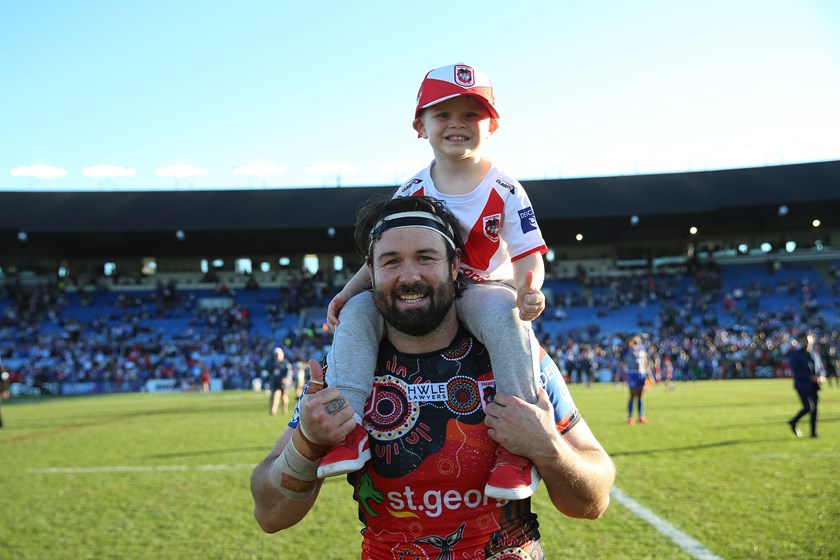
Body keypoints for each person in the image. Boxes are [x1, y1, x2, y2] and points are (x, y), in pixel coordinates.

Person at [250, 195, 615, 558]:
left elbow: (593, 502)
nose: (409, 276)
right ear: (371, 273)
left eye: (426, 258)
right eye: (391, 261)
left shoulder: (517, 359)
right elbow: (270, 515)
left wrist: (547, 447)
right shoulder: (345, 372)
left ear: (455, 265)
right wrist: (308, 443)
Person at [323, 62, 549, 501]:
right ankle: (347, 428)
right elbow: (384, 256)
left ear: (492, 125)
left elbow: (527, 252)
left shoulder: (506, 188)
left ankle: (517, 447)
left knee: (506, 317)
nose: (457, 124)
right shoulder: (411, 191)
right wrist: (348, 293)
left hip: (482, 290)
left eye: (471, 114)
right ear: (420, 126)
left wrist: (529, 289)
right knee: (359, 310)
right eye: (443, 114)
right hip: (422, 291)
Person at [788, 332, 824, 438]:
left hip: (814, 385)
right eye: (805, 340)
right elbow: (796, 371)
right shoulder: (796, 355)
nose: (807, 342)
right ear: (801, 341)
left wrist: (821, 376)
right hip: (802, 385)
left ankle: (813, 432)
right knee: (808, 407)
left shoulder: (815, 354)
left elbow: (821, 368)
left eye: (809, 340)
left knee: (815, 409)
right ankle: (793, 421)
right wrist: (810, 377)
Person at [623, 335, 652, 425]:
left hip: (641, 374)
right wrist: (630, 341)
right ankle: (630, 417)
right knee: (632, 395)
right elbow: (625, 348)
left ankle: (641, 416)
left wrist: (649, 376)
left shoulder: (642, 351)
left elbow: (646, 363)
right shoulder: (628, 351)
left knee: (641, 396)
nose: (636, 343)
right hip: (632, 373)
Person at [266, 347, 294, 416]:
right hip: (275, 381)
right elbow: (268, 371)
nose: (277, 356)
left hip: (283, 382)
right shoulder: (272, 362)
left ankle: (284, 409)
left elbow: (289, 371)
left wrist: (287, 378)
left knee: (284, 395)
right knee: (275, 394)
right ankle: (273, 410)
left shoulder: (285, 362)